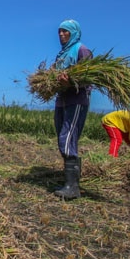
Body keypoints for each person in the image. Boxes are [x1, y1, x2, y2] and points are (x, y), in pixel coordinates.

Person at [52, 19, 92, 199]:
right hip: (61, 100)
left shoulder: (81, 50)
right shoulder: (61, 54)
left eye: (65, 31)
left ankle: (72, 187)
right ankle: (69, 181)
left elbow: (88, 78)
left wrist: (71, 81)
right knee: (61, 135)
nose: (61, 34)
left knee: (67, 137)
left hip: (76, 100)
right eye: (59, 31)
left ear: (73, 32)